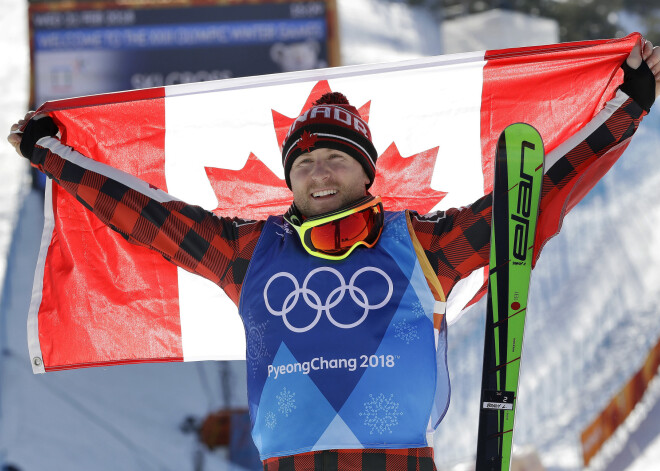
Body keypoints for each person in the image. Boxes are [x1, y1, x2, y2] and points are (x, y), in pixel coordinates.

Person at [7, 40, 660, 471]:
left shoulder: (423, 243)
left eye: (337, 159)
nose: (320, 173)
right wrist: (55, 158)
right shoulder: (247, 252)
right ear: (290, 178)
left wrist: (626, 109)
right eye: (308, 161)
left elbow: (532, 198)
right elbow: (149, 217)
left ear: (366, 172)